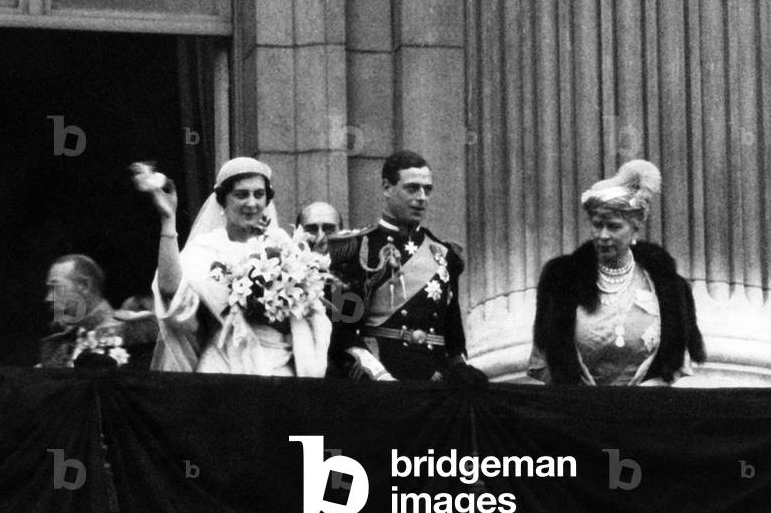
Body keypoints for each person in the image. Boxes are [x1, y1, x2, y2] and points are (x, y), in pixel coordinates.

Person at [143, 157, 330, 377]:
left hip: (280, 365)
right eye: (241, 194)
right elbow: (172, 294)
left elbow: (312, 311)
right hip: (223, 363)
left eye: (259, 194)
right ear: (222, 201)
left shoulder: (283, 246)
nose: (251, 203)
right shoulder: (206, 248)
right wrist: (168, 218)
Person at [527, 160, 705, 385]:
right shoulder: (561, 281)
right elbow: (543, 363)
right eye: (596, 224)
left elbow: (676, 364)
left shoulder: (666, 285)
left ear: (636, 224)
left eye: (613, 226)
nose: (603, 235)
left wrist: (655, 385)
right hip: (577, 411)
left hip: (647, 412)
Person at [328, 151, 479, 382]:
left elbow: (454, 340)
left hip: (436, 383)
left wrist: (460, 371)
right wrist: (380, 377)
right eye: (412, 188)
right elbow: (345, 334)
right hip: (383, 383)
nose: (422, 197)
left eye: (427, 190)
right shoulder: (356, 249)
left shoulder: (444, 254)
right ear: (387, 188)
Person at [37, 254, 116, 368]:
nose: (48, 298)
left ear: (85, 285)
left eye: (55, 288)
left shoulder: (121, 334)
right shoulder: (68, 338)